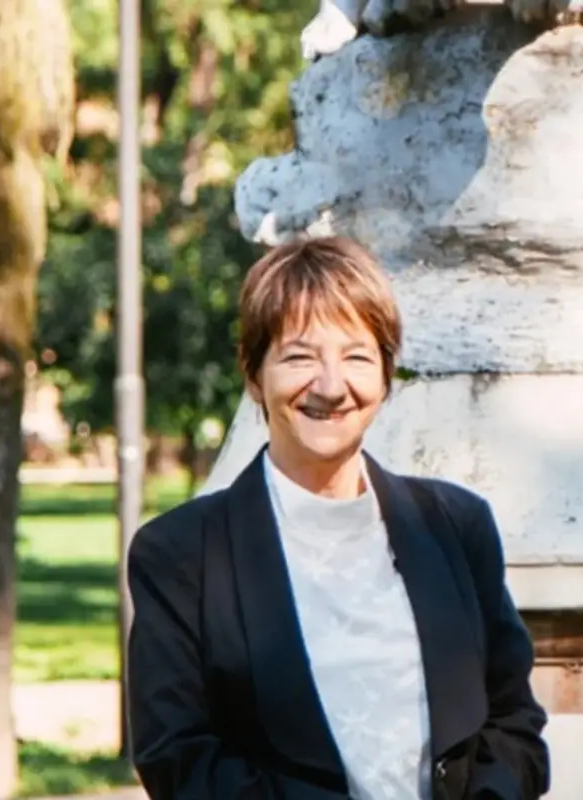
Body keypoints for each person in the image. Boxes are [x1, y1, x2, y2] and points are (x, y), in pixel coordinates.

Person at [126, 237, 550, 800]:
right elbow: (178, 760)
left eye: (356, 356)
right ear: (254, 376)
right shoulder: (181, 555)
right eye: (299, 356)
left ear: (385, 376)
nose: (330, 385)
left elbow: (515, 726)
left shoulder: (457, 526)